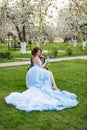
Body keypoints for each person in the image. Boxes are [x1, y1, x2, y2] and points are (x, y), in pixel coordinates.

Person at [5, 47, 78, 112]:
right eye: (39, 52)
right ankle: (54, 86)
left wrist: (41, 57)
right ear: (36, 52)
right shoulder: (36, 57)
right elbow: (41, 67)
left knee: (49, 73)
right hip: (37, 71)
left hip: (33, 71)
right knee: (49, 72)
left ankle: (54, 86)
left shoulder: (34, 57)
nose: (40, 53)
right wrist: (46, 61)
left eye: (40, 52)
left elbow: (37, 63)